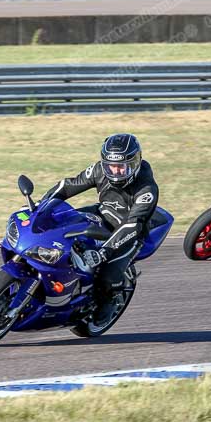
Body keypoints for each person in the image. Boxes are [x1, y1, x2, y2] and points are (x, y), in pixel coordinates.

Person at [41, 133, 159, 323]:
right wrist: (42, 206)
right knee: (60, 221)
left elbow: (133, 225)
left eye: (122, 167)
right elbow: (68, 186)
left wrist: (104, 252)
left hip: (129, 233)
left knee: (108, 276)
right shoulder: (99, 169)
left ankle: (110, 300)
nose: (116, 172)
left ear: (135, 163)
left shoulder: (147, 189)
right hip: (102, 214)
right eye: (111, 166)